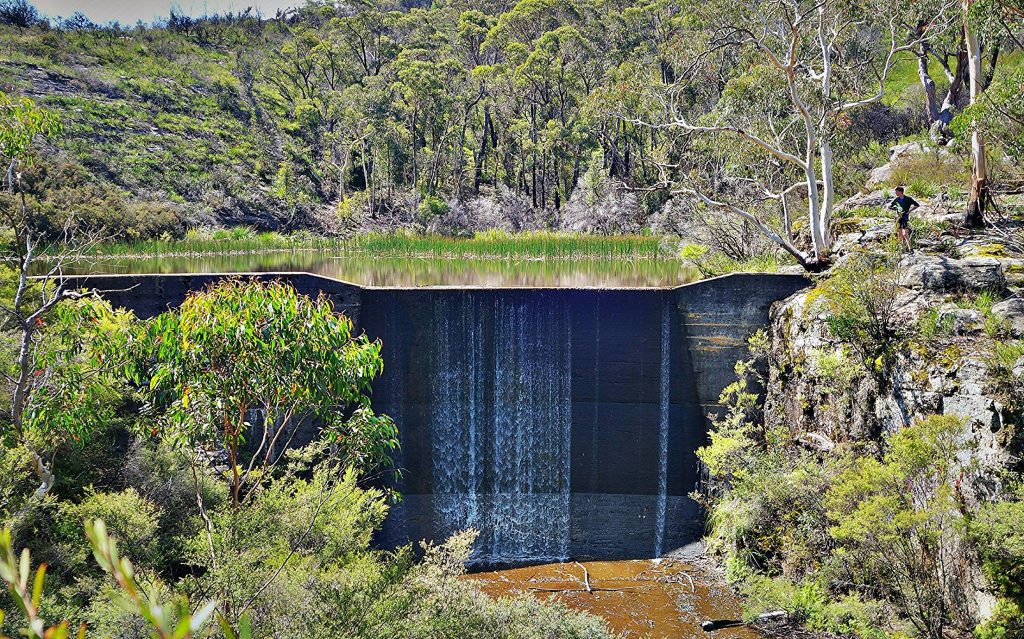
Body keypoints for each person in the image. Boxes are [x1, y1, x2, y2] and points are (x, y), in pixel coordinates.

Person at [888, 186, 920, 252]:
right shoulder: (896, 200)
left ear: (900, 192)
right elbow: (890, 206)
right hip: (898, 218)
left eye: (896, 191)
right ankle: (901, 249)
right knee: (899, 234)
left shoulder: (908, 199)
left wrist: (909, 211)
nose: (895, 193)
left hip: (905, 218)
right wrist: (895, 208)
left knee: (905, 233)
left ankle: (910, 249)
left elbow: (916, 205)